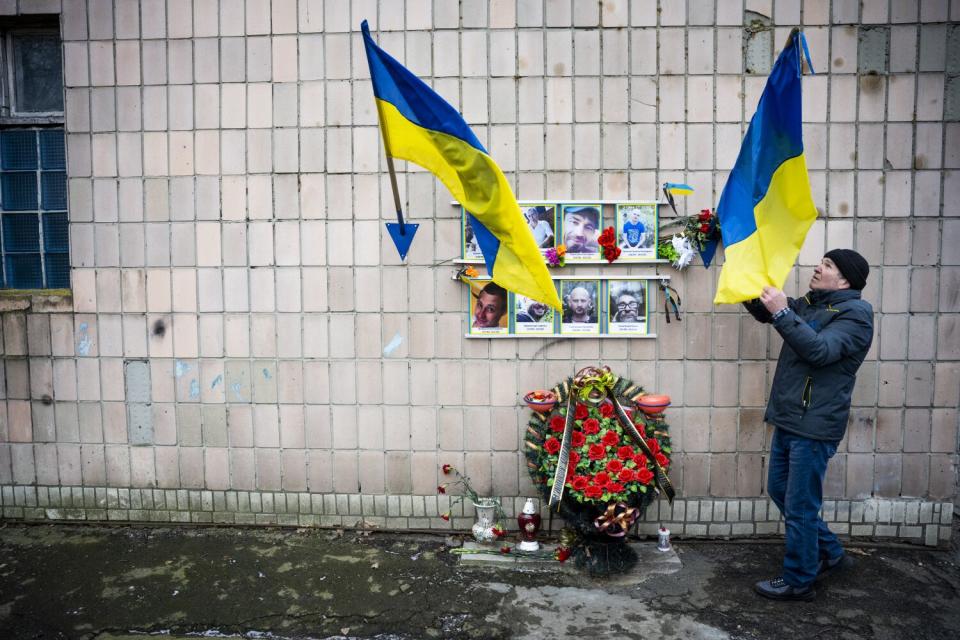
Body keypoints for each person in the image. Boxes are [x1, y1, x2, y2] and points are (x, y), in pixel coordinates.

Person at [745, 249, 873, 602]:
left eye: (828, 265)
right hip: (791, 417)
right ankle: (829, 551)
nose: (818, 267)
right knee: (780, 491)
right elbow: (766, 314)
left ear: (845, 279)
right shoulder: (813, 303)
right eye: (822, 262)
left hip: (815, 425)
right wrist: (747, 281)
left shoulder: (856, 315)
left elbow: (820, 350)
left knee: (800, 505)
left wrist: (784, 311)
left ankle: (799, 579)